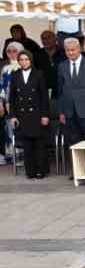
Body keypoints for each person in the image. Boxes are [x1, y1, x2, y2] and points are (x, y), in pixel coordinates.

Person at [53, 34, 85, 156]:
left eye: (73, 50)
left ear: (79, 48)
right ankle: (78, 172)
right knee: (74, 143)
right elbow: (60, 90)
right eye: (67, 50)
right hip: (69, 111)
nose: (70, 53)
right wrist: (61, 111)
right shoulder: (62, 66)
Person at [7, 47, 51, 179]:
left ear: (30, 60)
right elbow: (12, 98)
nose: (24, 62)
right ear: (18, 61)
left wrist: (45, 115)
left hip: (37, 114)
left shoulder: (39, 74)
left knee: (39, 144)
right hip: (22, 115)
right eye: (21, 59)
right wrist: (13, 116)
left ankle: (41, 170)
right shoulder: (15, 75)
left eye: (26, 59)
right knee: (27, 145)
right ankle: (30, 171)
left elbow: (44, 96)